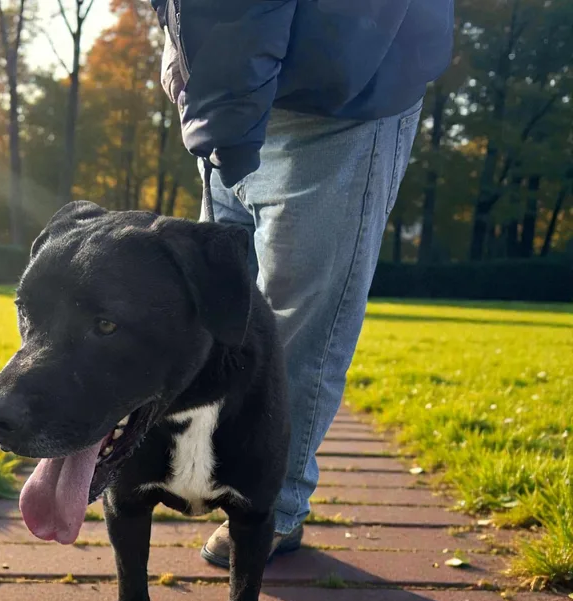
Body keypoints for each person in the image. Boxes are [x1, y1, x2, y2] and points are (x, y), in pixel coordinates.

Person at [150, 0, 454, 567]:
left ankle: (274, 509)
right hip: (229, 95)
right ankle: (220, 470)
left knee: (300, 325)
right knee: (223, 316)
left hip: (342, 100)